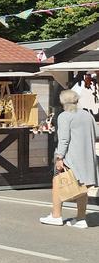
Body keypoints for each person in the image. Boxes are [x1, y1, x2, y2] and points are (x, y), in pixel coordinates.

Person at [41, 89, 99, 227]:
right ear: (77, 100)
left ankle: (56, 216)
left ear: (62, 102)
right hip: (87, 157)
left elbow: (64, 139)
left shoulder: (64, 116)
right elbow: (96, 133)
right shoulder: (87, 115)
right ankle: (81, 219)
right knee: (82, 187)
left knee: (57, 182)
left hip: (71, 157)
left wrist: (59, 157)